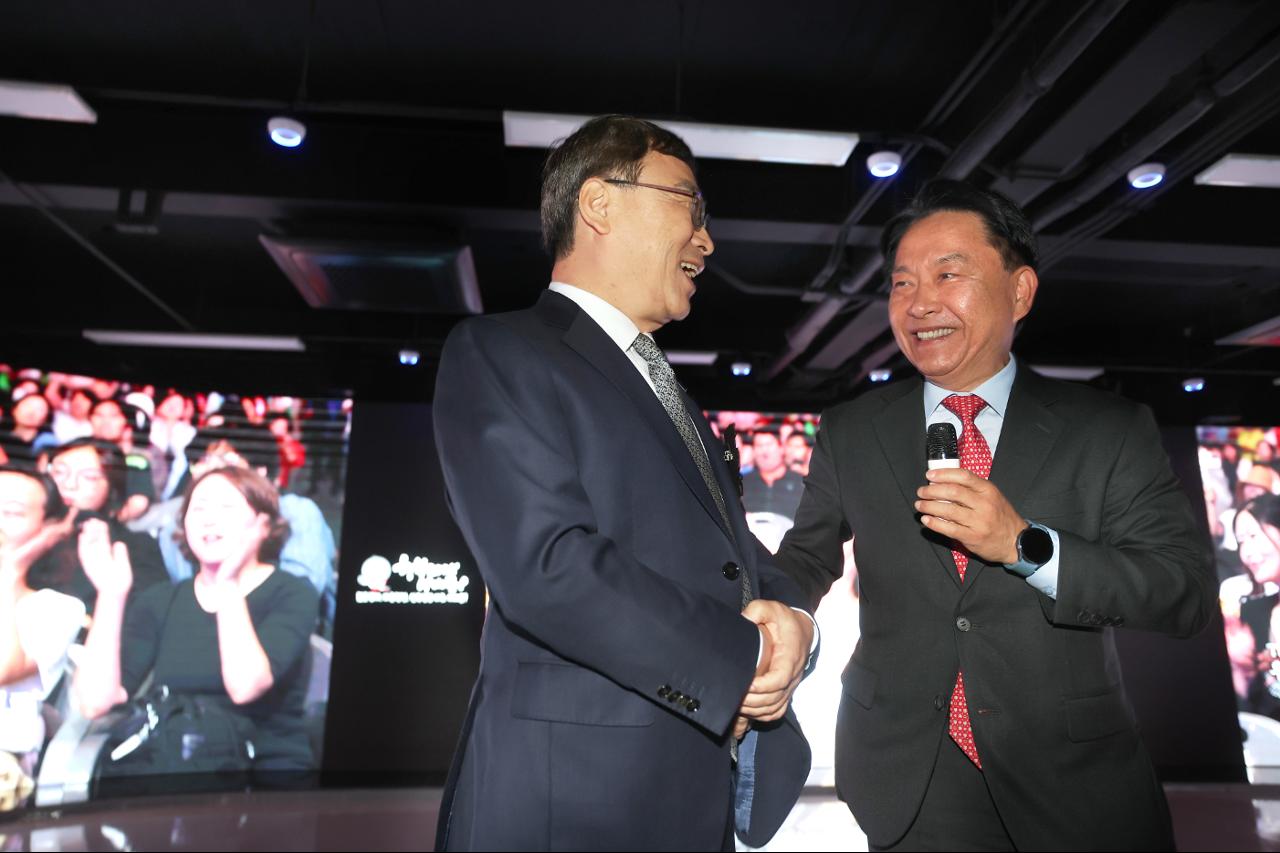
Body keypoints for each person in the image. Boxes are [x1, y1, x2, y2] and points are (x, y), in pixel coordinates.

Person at [775, 179, 1214, 851]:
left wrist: (1025, 546)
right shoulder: (851, 429)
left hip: (1072, 783)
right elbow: (807, 556)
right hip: (910, 776)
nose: (920, 302)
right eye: (901, 283)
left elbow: (1182, 593)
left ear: (1020, 290)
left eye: (948, 275)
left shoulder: (1108, 429)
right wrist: (778, 613)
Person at [432, 115, 814, 851]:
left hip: (685, 795)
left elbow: (729, 558)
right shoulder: (500, 350)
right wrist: (743, 658)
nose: (706, 240)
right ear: (600, 203)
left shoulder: (670, 391)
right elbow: (547, 566)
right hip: (571, 805)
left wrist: (797, 625)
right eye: (689, 205)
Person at [73, 467, 320, 776]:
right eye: (198, 508)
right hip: (174, 766)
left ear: (263, 525)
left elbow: (245, 687)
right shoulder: (162, 600)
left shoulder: (292, 593)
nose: (209, 519)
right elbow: (94, 703)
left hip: (262, 773)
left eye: (226, 507)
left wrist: (227, 583)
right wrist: (110, 595)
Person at [0, 468, 85, 781]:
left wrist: (10, 573)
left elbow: (4, 670)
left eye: (11, 512)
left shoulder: (57, 608)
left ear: (48, 530)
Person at [27, 438, 169, 610]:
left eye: (89, 477)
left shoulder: (134, 546)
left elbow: (149, 610)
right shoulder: (25, 532)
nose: (69, 484)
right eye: (59, 472)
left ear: (112, 486)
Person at [741, 426, 805, 520]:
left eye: (769, 444)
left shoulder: (801, 483)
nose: (764, 451)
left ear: (781, 448)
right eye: (759, 445)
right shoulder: (743, 484)